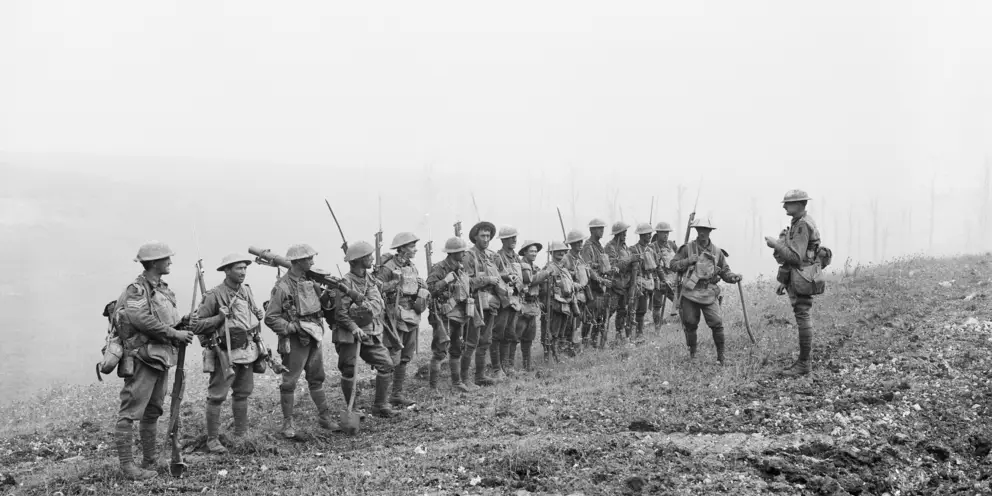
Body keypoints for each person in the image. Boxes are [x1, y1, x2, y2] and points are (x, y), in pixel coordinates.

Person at [113, 242, 195, 480]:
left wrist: (183, 324)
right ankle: (128, 467)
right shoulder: (137, 290)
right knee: (130, 412)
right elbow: (141, 320)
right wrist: (174, 334)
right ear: (154, 262)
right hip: (141, 357)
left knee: (153, 410)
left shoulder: (163, 289)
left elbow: (165, 321)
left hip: (160, 356)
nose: (170, 261)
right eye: (166, 258)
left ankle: (149, 461)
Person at [194, 253, 266, 454]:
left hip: (246, 349)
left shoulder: (246, 291)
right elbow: (197, 325)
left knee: (242, 393)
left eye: (245, 268)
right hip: (224, 352)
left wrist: (258, 314)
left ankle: (241, 434)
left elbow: (247, 317)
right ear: (226, 271)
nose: (243, 272)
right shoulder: (213, 295)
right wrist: (218, 317)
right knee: (217, 396)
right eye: (238, 268)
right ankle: (212, 439)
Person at [264, 244, 337, 438]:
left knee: (317, 378)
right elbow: (271, 317)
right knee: (289, 383)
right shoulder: (282, 287)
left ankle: (325, 417)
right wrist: (290, 327)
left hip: (314, 336)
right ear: (296, 262)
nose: (312, 262)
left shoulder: (311, 281)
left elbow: (323, 306)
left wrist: (328, 297)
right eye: (308, 259)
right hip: (295, 340)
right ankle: (288, 424)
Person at [331, 241, 400, 417]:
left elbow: (381, 290)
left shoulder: (369, 279)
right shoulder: (344, 283)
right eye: (368, 256)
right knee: (349, 370)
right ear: (359, 260)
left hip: (370, 332)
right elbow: (340, 313)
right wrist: (354, 328)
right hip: (349, 335)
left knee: (386, 364)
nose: (371, 259)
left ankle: (380, 405)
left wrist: (396, 281)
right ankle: (352, 410)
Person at [765, 189, 823, 377]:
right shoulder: (799, 223)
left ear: (799, 205)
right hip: (800, 276)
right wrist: (783, 279)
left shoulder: (802, 226)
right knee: (802, 315)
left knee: (802, 316)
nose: (784, 207)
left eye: (788, 204)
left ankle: (804, 364)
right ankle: (803, 361)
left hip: (803, 276)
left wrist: (776, 245)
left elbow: (795, 257)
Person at [669, 218, 742, 363]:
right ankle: (693, 356)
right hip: (690, 292)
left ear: (710, 231)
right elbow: (673, 265)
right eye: (699, 229)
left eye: (705, 230)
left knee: (717, 323)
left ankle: (721, 357)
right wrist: (688, 261)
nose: (702, 232)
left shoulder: (717, 251)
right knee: (690, 323)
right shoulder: (687, 249)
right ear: (696, 230)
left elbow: (725, 271)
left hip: (709, 292)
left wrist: (733, 277)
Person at [376, 232, 430, 407]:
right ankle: (383, 399)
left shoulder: (412, 266)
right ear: (402, 248)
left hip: (412, 315)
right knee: (392, 357)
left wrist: (421, 285)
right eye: (412, 246)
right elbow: (376, 289)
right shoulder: (388, 268)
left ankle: (396, 394)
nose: (415, 249)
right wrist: (395, 283)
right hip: (395, 317)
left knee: (406, 357)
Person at [425, 237, 475, 392]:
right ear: (453, 253)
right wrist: (446, 280)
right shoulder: (439, 268)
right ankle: (433, 388)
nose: (464, 254)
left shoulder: (461, 269)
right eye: (461, 251)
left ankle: (457, 382)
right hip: (443, 316)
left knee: (456, 349)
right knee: (440, 352)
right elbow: (430, 290)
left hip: (459, 314)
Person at [461, 221, 504, 386]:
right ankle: (464, 380)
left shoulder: (491, 256)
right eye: (482, 236)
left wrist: (505, 278)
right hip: (475, 304)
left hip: (490, 303)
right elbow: (466, 282)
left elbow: (499, 275)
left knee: (485, 340)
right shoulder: (468, 256)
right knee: (471, 342)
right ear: (475, 237)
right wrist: (487, 279)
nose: (486, 239)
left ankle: (479, 377)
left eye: (488, 236)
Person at [491, 226, 524, 378]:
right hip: (503, 301)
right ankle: (497, 368)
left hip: (515, 300)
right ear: (503, 240)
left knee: (510, 333)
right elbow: (494, 276)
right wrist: (506, 276)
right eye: (511, 238)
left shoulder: (517, 258)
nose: (514, 240)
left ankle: (508, 366)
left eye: (515, 237)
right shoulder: (497, 257)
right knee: (499, 333)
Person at [514, 240, 549, 370]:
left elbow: (539, 287)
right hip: (521, 307)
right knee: (515, 337)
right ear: (525, 252)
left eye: (535, 251)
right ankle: (509, 367)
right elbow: (530, 281)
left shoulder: (534, 267)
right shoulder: (520, 266)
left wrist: (538, 301)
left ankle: (527, 366)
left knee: (528, 339)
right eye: (531, 251)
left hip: (532, 306)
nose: (534, 253)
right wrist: (545, 273)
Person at [542, 241, 577, 360]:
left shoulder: (563, 269)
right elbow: (545, 287)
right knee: (553, 330)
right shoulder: (549, 267)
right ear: (552, 253)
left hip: (565, 302)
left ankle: (558, 353)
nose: (561, 253)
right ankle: (553, 355)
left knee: (561, 330)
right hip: (554, 303)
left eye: (563, 251)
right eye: (557, 251)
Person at [580, 218, 612, 348]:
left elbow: (604, 266)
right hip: (592, 289)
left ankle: (594, 343)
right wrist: (601, 279)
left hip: (601, 289)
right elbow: (587, 268)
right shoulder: (588, 247)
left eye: (603, 228)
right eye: (599, 228)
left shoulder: (600, 247)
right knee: (589, 317)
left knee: (600, 317)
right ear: (592, 230)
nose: (602, 231)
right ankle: (585, 342)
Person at [604, 221, 634, 344]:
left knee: (623, 311)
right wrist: (630, 259)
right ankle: (601, 334)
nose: (625, 235)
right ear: (617, 234)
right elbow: (612, 265)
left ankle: (618, 334)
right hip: (615, 285)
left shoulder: (625, 247)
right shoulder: (610, 247)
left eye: (625, 232)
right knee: (609, 310)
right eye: (623, 232)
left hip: (625, 284)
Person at [628, 223, 658, 342]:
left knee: (642, 309)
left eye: (650, 234)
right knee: (632, 309)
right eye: (647, 234)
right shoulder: (633, 249)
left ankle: (640, 333)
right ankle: (629, 334)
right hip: (637, 282)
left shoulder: (651, 250)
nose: (649, 236)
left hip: (648, 282)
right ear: (641, 235)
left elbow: (656, 266)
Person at [562, 230, 590, 353]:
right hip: (571, 297)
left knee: (577, 323)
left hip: (582, 296)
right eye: (576, 242)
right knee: (569, 324)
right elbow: (562, 276)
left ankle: (575, 346)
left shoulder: (580, 258)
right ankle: (568, 348)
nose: (580, 244)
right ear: (571, 244)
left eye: (580, 241)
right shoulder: (566, 259)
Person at [650, 222, 678, 330]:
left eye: (667, 232)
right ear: (658, 233)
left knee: (679, 302)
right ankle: (657, 326)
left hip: (672, 279)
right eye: (663, 233)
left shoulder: (671, 245)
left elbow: (679, 256)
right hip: (658, 279)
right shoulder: (652, 247)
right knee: (657, 305)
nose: (666, 235)